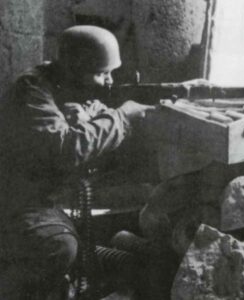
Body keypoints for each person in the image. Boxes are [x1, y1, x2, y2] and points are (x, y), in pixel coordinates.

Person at [0, 25, 154, 299]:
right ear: (73, 70)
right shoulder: (32, 89)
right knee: (60, 246)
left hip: (49, 199)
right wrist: (120, 118)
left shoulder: (74, 89)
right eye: (101, 73)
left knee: (138, 204)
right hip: (17, 202)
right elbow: (64, 149)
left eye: (111, 73)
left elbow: (95, 123)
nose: (109, 81)